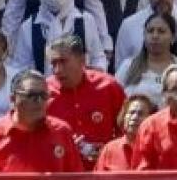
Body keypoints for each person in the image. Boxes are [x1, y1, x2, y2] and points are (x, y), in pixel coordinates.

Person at [0, 69, 84, 176]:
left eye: (43, 96)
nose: (39, 101)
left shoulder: (61, 131)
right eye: (31, 95)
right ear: (13, 99)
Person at [45, 35, 126, 166]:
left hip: (105, 171)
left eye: (63, 61)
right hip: (61, 172)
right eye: (53, 63)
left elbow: (125, 130)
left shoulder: (108, 86)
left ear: (82, 60)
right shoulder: (43, 93)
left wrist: (110, 150)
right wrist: (67, 147)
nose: (57, 70)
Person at [96, 95, 156, 171]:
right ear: (123, 116)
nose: (134, 117)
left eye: (140, 114)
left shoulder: (156, 149)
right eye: (131, 113)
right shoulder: (109, 149)